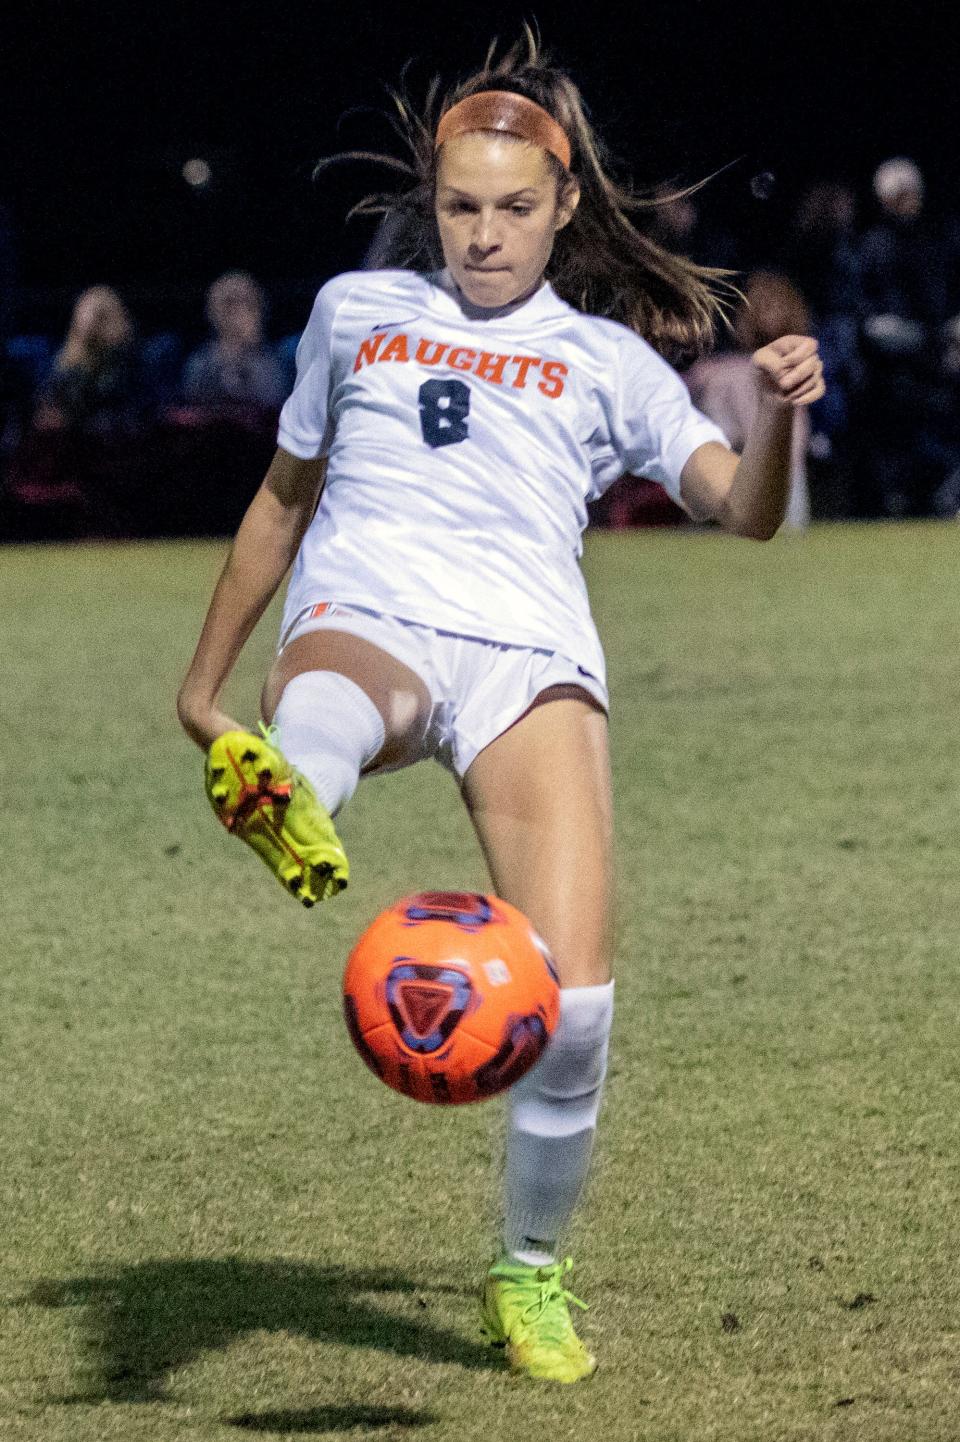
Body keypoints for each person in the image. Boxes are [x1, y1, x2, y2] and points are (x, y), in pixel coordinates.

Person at [176, 31, 824, 1385]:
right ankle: (293, 780)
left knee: (575, 999)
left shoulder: (606, 360)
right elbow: (281, 505)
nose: (484, 236)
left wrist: (779, 418)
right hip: (371, 604)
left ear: (566, 202)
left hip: (527, 652)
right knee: (341, 694)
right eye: (461, 207)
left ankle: (528, 1275)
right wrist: (201, 682)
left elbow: (744, 515)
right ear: (432, 194)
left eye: (514, 209)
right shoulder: (355, 310)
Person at [685, 271, 813, 529]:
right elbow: (795, 446)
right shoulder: (791, 373)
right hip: (769, 476)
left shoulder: (714, 372)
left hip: (725, 473)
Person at [182, 270, 287, 411]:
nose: (240, 312)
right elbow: (194, 402)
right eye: (230, 304)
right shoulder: (200, 363)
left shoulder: (277, 362)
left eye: (248, 304)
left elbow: (272, 402)